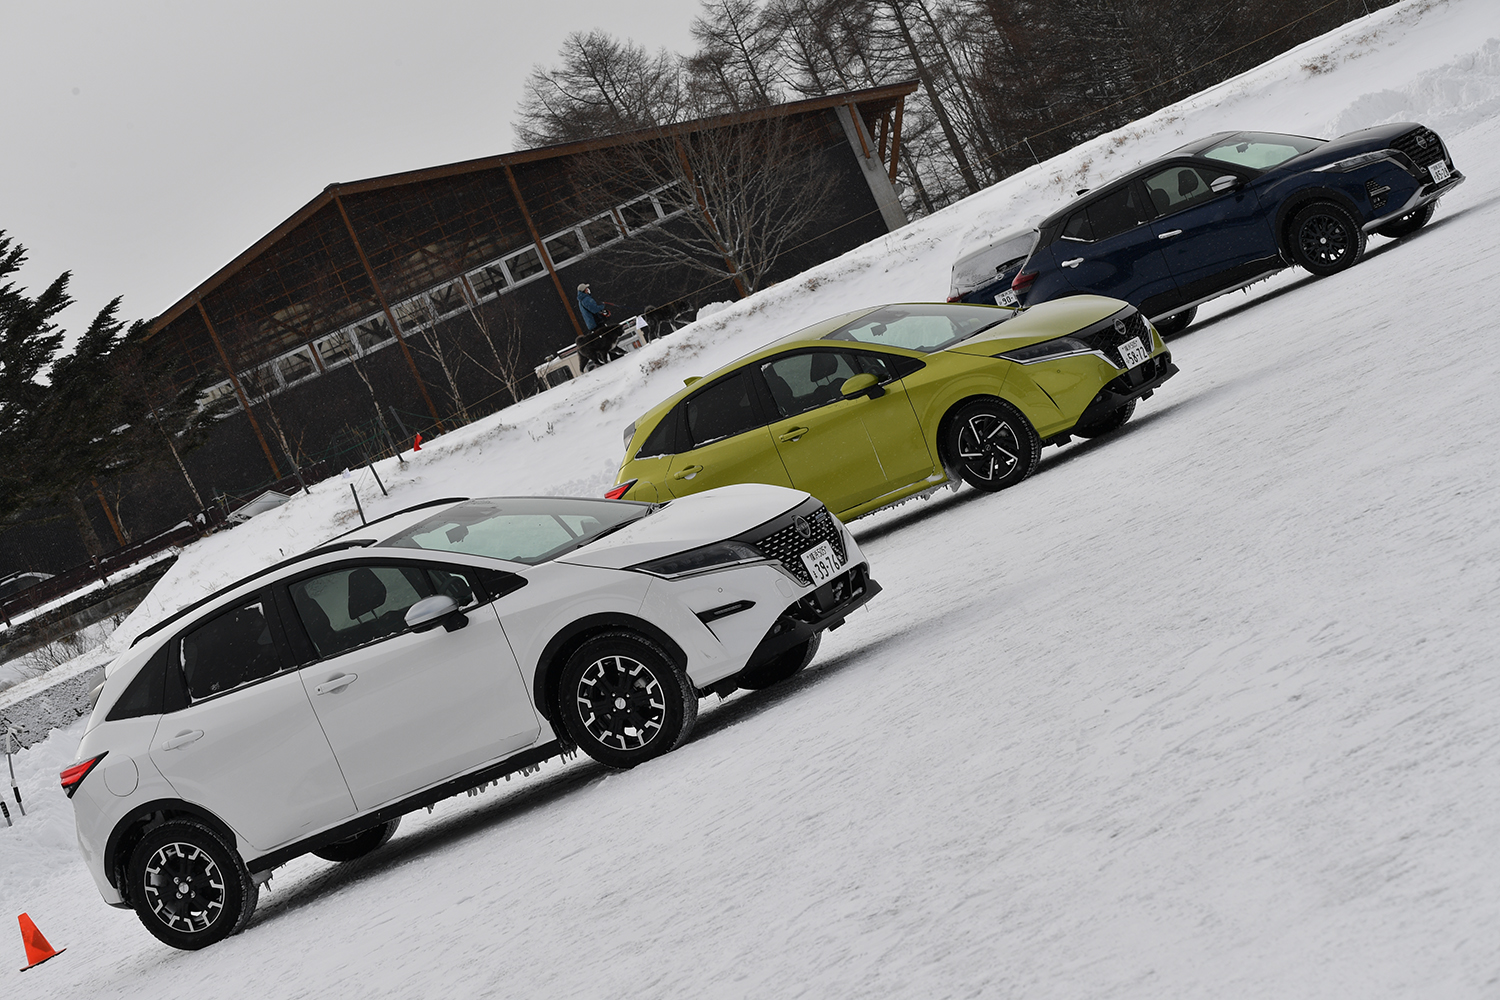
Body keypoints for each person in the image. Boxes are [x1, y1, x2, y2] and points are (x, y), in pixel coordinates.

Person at [575, 283, 615, 369]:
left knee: (603, 340)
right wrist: (602, 306)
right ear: (584, 290)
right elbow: (595, 309)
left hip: (592, 324)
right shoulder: (586, 299)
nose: (588, 289)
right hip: (597, 323)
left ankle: (608, 356)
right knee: (607, 339)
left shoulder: (582, 300)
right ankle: (612, 355)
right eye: (586, 288)